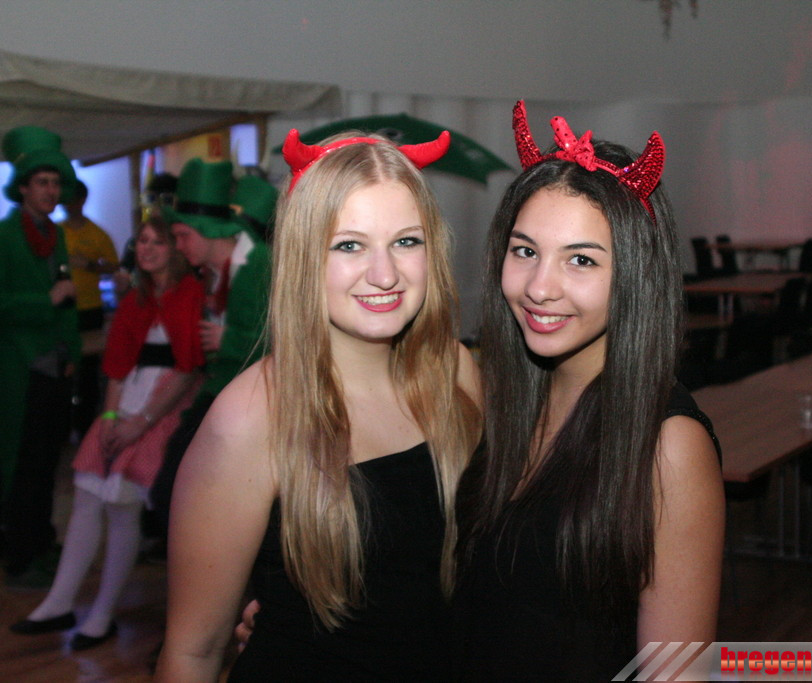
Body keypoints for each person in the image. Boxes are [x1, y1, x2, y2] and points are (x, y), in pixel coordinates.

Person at [155, 128, 481, 681]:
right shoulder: (252, 416)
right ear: (304, 257)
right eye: (349, 245)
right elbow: (192, 652)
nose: (384, 274)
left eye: (407, 241)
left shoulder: (456, 371)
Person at [453, 101, 724, 680]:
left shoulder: (668, 445)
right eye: (525, 251)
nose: (540, 287)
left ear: (635, 275)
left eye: (580, 260)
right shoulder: (509, 400)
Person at [10, 216, 204, 650]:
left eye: (157, 242)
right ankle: (59, 602)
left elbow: (187, 369)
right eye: (142, 241)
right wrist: (112, 418)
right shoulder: (136, 298)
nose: (146, 249)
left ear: (174, 249)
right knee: (87, 492)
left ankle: (102, 613)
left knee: (122, 503)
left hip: (163, 407)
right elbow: (117, 364)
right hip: (127, 399)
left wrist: (142, 422)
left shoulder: (190, 294)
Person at [148, 158, 272, 539]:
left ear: (207, 230)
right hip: (223, 396)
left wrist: (226, 340)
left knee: (178, 495)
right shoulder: (216, 272)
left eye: (183, 235)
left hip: (252, 404)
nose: (179, 246)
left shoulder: (259, 264)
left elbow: (287, 339)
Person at [0, 126, 81, 586]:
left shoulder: (57, 235)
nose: (51, 190)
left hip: (54, 368)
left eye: (55, 182)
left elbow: (68, 300)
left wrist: (72, 353)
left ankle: (41, 539)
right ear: (23, 188)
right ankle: (20, 554)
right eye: (42, 182)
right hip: (18, 368)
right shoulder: (4, 236)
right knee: (21, 463)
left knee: (49, 461)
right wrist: (43, 301)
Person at [61, 179, 120, 438]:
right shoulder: (56, 232)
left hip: (90, 309)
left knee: (87, 371)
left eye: (72, 200)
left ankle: (85, 428)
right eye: (65, 201)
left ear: (82, 201)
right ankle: (62, 428)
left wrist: (89, 265)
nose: (67, 205)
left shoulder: (97, 233)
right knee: (62, 367)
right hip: (62, 310)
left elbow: (113, 265)